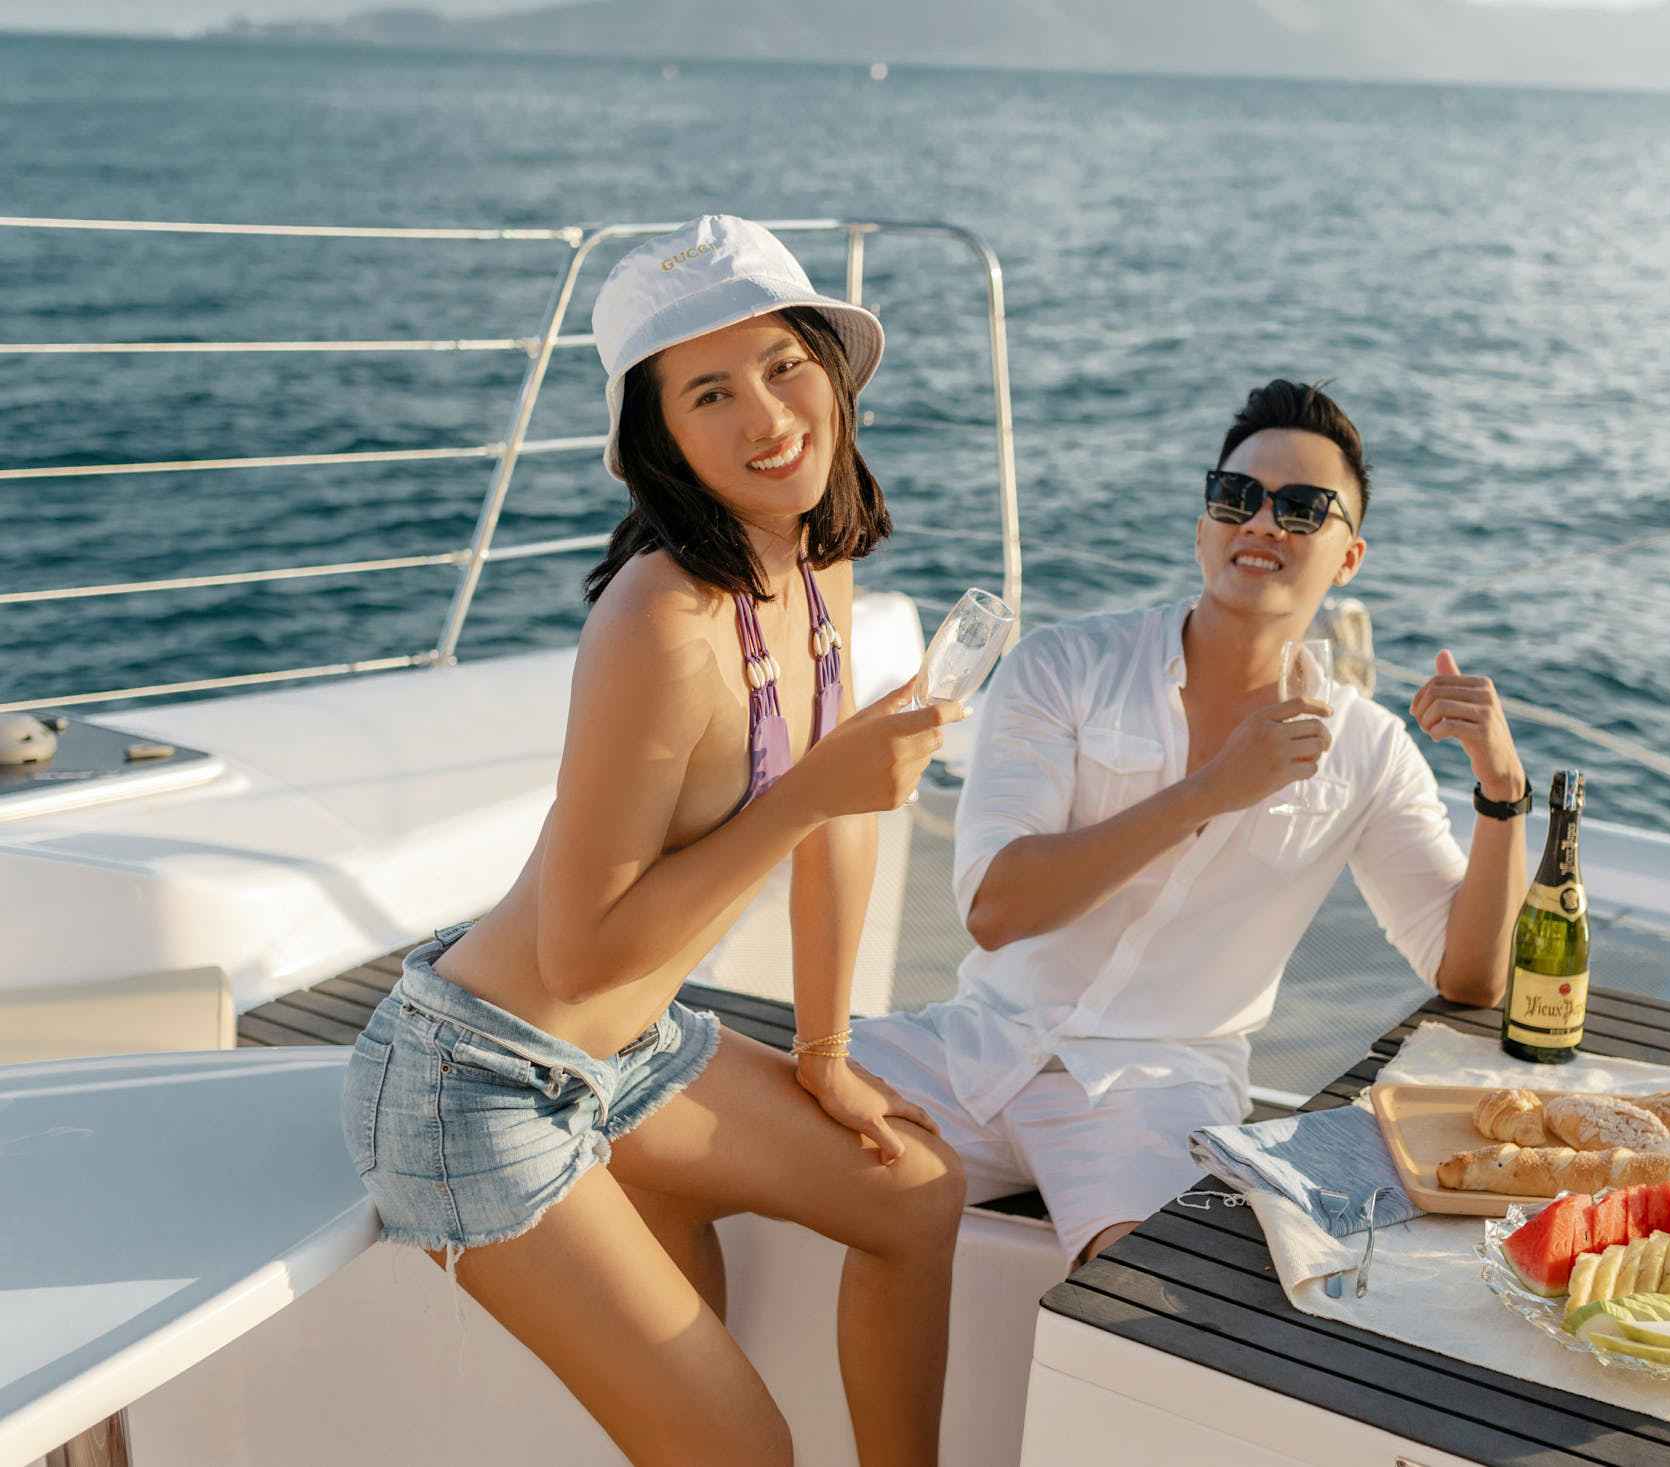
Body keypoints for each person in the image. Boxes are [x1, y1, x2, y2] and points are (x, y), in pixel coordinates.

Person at [340, 215, 966, 1467]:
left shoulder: (812, 564)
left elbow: (840, 826)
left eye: (785, 366)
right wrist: (810, 793)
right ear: (659, 438)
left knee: (917, 1195)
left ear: (832, 375)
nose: (767, 417)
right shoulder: (661, 620)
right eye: (710, 392)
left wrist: (829, 1054)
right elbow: (576, 958)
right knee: (743, 1452)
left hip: (626, 1055)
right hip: (477, 1086)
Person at [852, 379, 1531, 1269]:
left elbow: (1470, 972)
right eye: (1237, 496)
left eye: (1302, 507)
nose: (1262, 522)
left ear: (1350, 557)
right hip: (973, 1049)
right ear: (1205, 522)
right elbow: (996, 907)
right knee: (675, 1108)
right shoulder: (1064, 666)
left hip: (1154, 1094)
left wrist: (1503, 791)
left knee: (1155, 1317)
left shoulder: (1367, 750)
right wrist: (1213, 787)